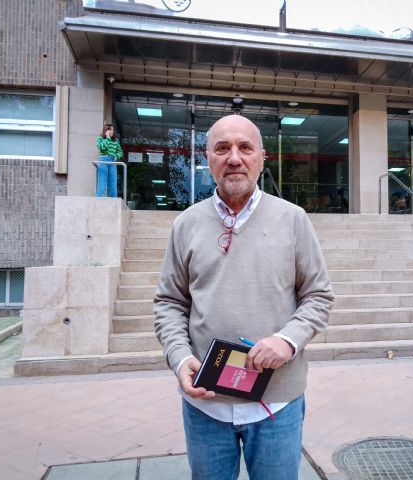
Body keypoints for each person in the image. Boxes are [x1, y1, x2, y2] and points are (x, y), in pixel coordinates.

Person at [154, 114, 334, 480]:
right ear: (208, 158)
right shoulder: (186, 224)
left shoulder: (294, 219)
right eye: (222, 148)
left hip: (276, 405)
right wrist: (179, 356)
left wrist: (288, 340)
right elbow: (170, 302)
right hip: (205, 405)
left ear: (262, 158)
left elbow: (318, 296)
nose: (234, 157)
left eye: (245, 148)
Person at [96, 124, 123, 197]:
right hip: (103, 160)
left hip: (112, 161)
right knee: (102, 182)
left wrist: (115, 157)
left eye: (113, 130)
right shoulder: (100, 138)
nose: (112, 131)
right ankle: (99, 200)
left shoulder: (116, 141)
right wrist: (107, 138)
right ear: (106, 130)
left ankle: (113, 201)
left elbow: (120, 152)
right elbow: (102, 147)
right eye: (110, 129)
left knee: (113, 182)